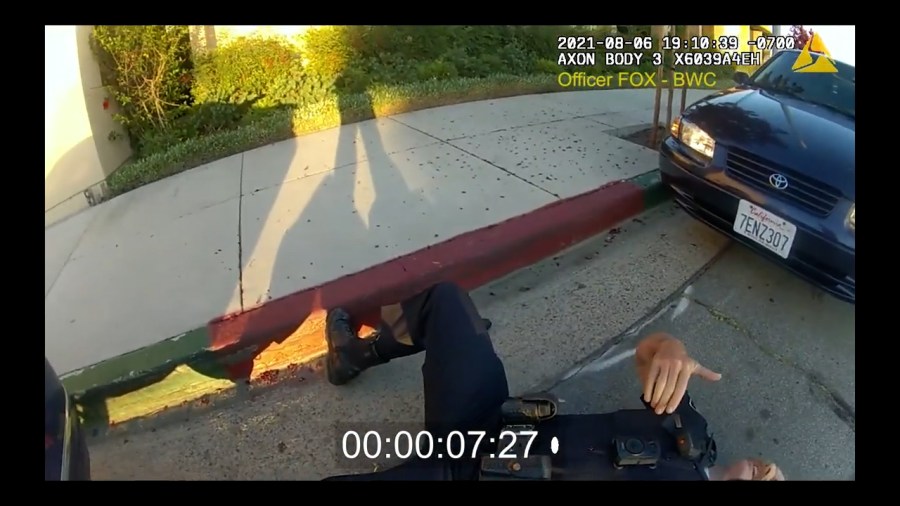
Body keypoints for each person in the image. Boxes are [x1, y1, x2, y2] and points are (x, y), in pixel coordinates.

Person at [323, 281, 784, 481]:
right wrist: (669, 347)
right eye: (773, 472)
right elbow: (647, 358)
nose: (767, 474)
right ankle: (352, 355)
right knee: (446, 304)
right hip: (490, 424)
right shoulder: (693, 435)